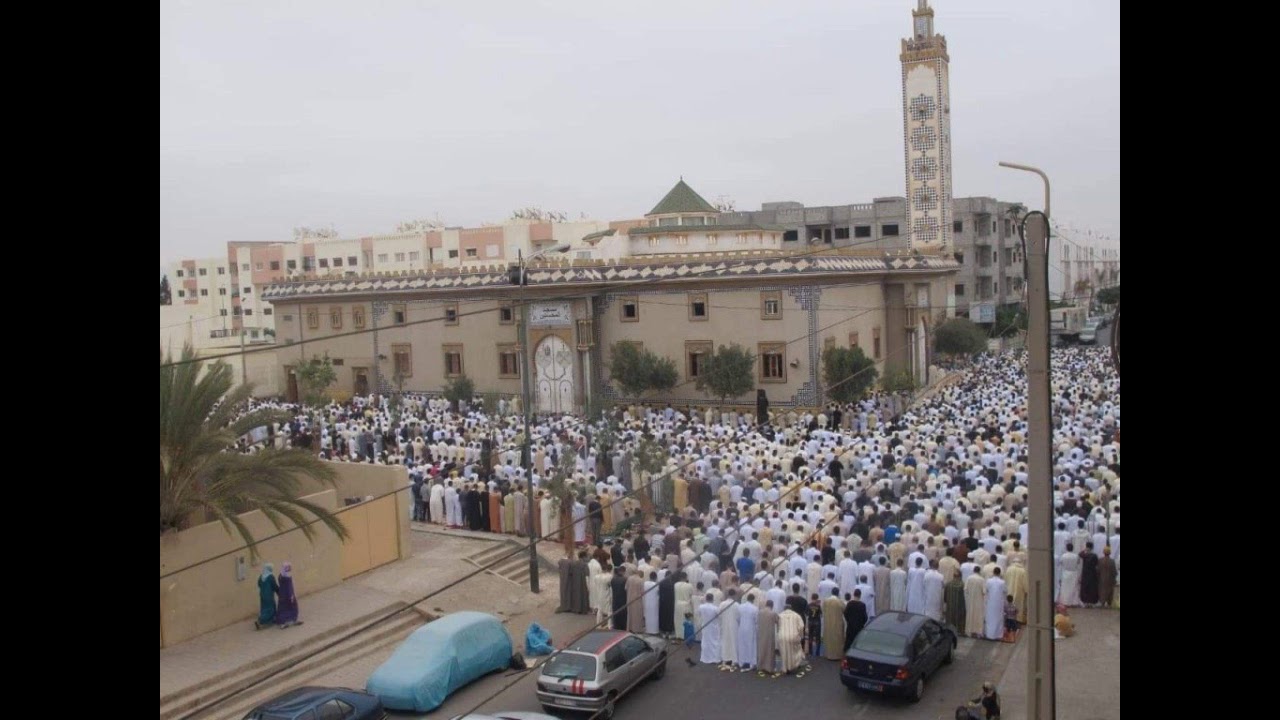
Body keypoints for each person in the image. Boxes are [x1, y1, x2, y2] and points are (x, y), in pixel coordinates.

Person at [777, 604, 808, 676]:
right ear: (791, 609)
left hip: (782, 636)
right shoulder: (796, 615)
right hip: (793, 636)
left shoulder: (780, 615)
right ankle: (793, 665)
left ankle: (785, 668)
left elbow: (778, 626)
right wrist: (801, 635)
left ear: (784, 609)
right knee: (795, 651)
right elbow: (801, 626)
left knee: (784, 652)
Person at [275, 562, 302, 628]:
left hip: (282, 595)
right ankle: (293, 620)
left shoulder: (280, 575)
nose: (290, 568)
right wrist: (291, 596)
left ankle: (282, 623)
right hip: (288, 595)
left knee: (282, 609)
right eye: (289, 567)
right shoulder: (287, 577)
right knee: (293, 607)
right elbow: (289, 587)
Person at [698, 593, 722, 665]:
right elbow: (719, 616)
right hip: (713, 626)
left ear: (706, 599)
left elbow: (699, 614)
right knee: (714, 642)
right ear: (712, 599)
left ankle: (705, 657)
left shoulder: (701, 607)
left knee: (705, 641)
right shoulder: (715, 608)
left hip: (705, 626)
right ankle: (714, 658)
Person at [757, 600, 779, 677]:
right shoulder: (773, 613)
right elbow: (778, 621)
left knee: (761, 649)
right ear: (772, 606)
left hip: (761, 633)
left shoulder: (760, 612)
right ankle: (769, 668)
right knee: (769, 651)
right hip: (770, 634)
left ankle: (760, 666)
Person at [254, 563, 278, 630]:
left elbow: (259, 584)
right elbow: (274, 586)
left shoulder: (261, 576)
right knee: (270, 609)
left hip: (262, 595)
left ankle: (270, 620)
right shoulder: (270, 577)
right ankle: (260, 621)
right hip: (269, 595)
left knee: (264, 608)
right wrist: (279, 592)